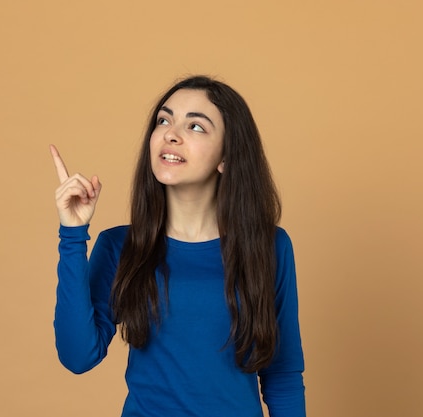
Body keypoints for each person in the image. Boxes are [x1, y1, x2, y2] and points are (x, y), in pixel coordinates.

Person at [50, 75, 305, 417]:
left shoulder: (270, 246)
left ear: (226, 158)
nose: (171, 133)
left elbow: (282, 375)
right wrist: (72, 234)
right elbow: (78, 356)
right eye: (164, 120)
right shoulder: (119, 246)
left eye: (196, 126)